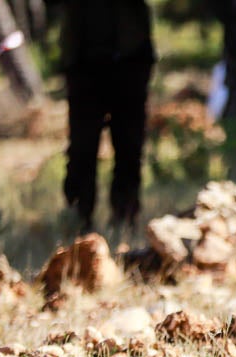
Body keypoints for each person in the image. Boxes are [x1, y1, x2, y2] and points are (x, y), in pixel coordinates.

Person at [59, 0, 155, 232]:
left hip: (130, 61)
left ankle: (125, 219)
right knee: (82, 148)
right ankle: (79, 221)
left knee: (129, 147)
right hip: (83, 63)